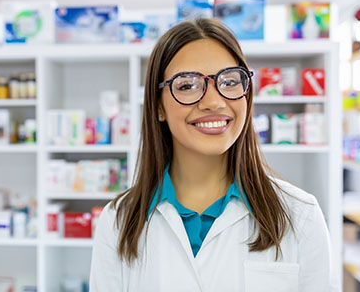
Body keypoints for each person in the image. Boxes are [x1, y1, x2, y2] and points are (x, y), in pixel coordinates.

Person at [89, 18, 340, 292]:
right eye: (187, 85)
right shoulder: (119, 221)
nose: (214, 102)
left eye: (230, 81)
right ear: (157, 107)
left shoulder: (300, 215)